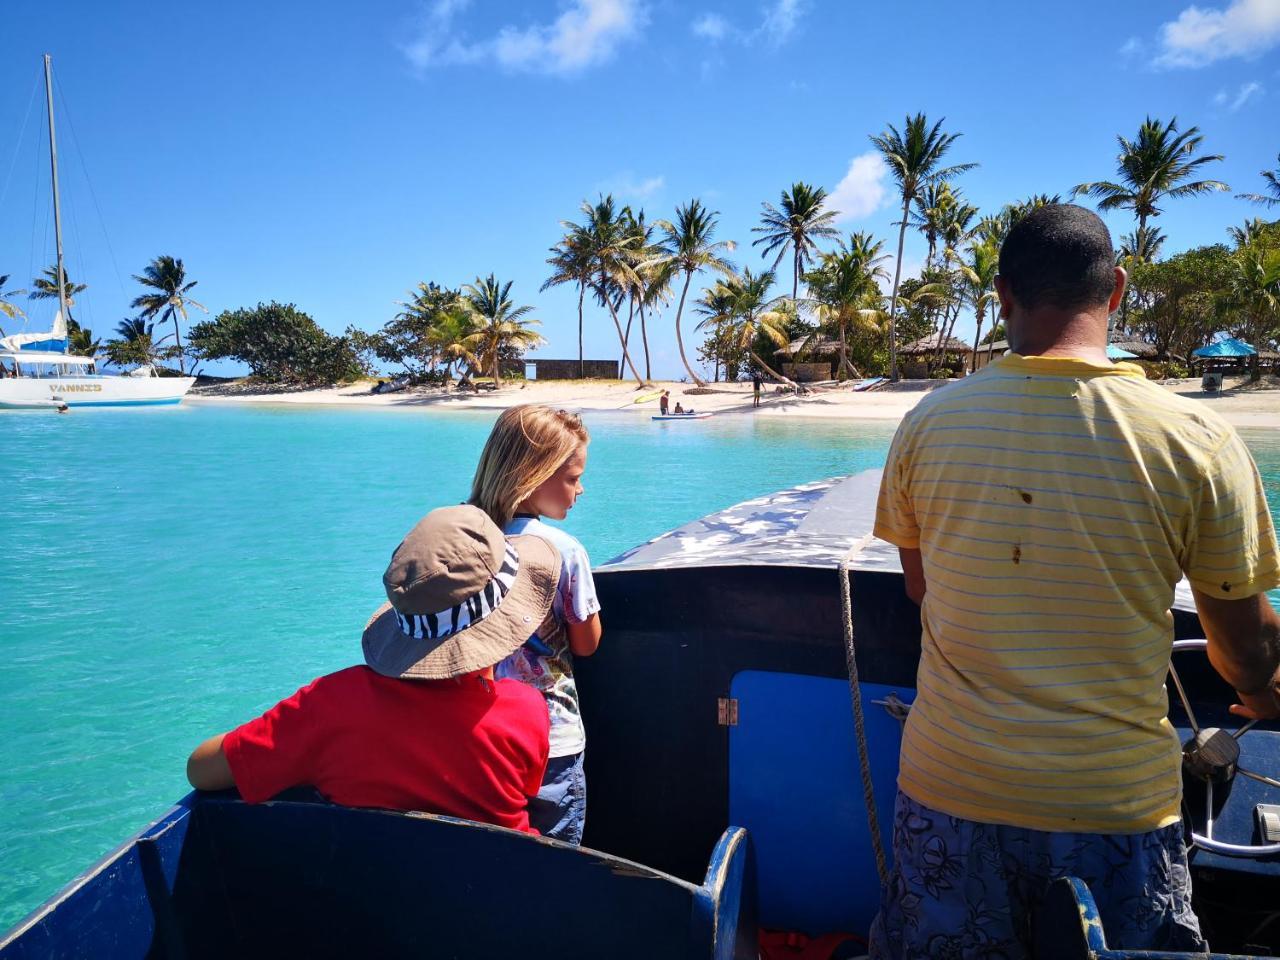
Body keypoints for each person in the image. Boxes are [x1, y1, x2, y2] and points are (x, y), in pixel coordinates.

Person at [870, 204, 1280, 958]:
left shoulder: (929, 424)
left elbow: (923, 589)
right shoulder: (1199, 440)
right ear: (1117, 289)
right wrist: (1257, 695)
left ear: (1002, 295)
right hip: (1113, 805)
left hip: (949, 785)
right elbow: (1244, 647)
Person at [186, 505, 557, 835]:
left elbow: (200, 770)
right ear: (504, 624)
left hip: (376, 896)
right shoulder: (526, 712)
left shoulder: (330, 704)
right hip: (499, 894)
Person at [469, 405, 603, 844]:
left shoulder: (466, 537)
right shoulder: (564, 550)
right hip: (550, 737)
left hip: (479, 730)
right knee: (556, 861)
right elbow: (586, 644)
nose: (580, 490)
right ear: (532, 475)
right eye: (571, 478)